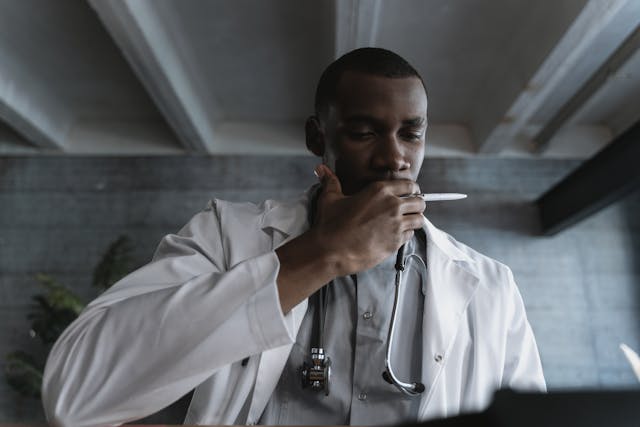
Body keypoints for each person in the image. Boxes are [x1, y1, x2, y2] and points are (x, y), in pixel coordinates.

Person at [42, 48, 545, 427]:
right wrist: (320, 254)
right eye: (365, 132)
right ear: (316, 136)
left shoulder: (491, 286)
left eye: (411, 134)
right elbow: (75, 392)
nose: (395, 158)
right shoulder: (225, 235)